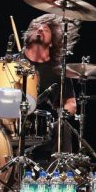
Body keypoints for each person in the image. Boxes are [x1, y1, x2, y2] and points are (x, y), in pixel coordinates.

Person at [18, 13, 79, 162]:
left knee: (63, 126)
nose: (39, 29)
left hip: (45, 127)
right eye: (35, 28)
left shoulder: (58, 70)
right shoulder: (14, 63)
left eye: (45, 29)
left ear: (52, 42)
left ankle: (60, 171)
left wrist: (62, 114)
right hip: (13, 122)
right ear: (28, 36)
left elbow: (71, 103)